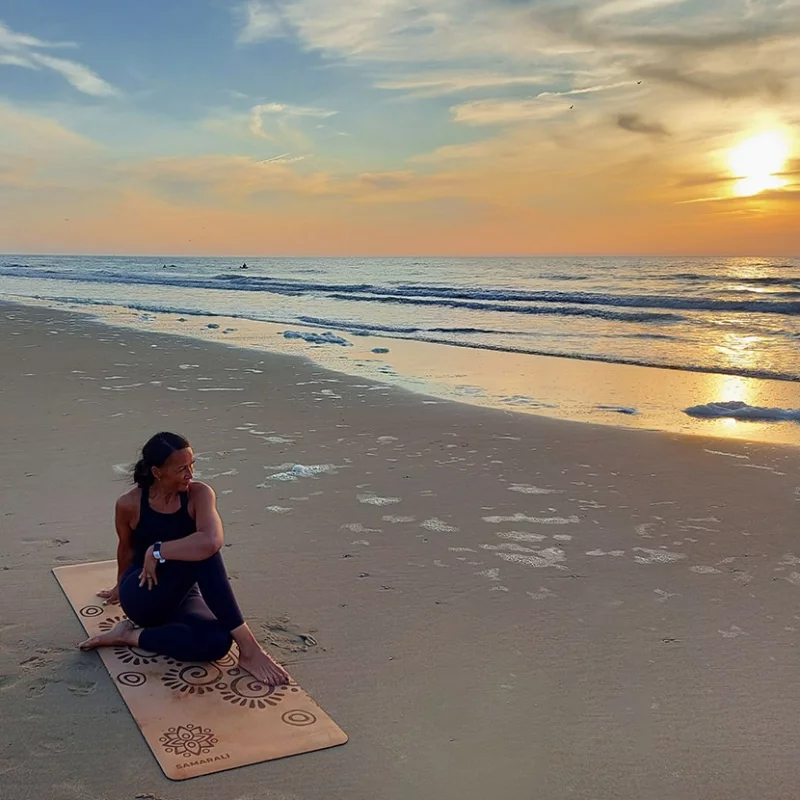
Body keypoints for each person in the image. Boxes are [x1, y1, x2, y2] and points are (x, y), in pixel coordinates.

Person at [79, 432, 290, 687]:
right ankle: (249, 648)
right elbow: (125, 547)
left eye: (192, 465)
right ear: (157, 473)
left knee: (217, 642)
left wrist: (157, 550)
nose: (190, 474)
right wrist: (119, 585)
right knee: (204, 553)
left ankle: (131, 636)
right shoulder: (129, 504)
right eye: (182, 469)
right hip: (144, 592)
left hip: (183, 595)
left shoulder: (199, 494)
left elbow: (212, 539)